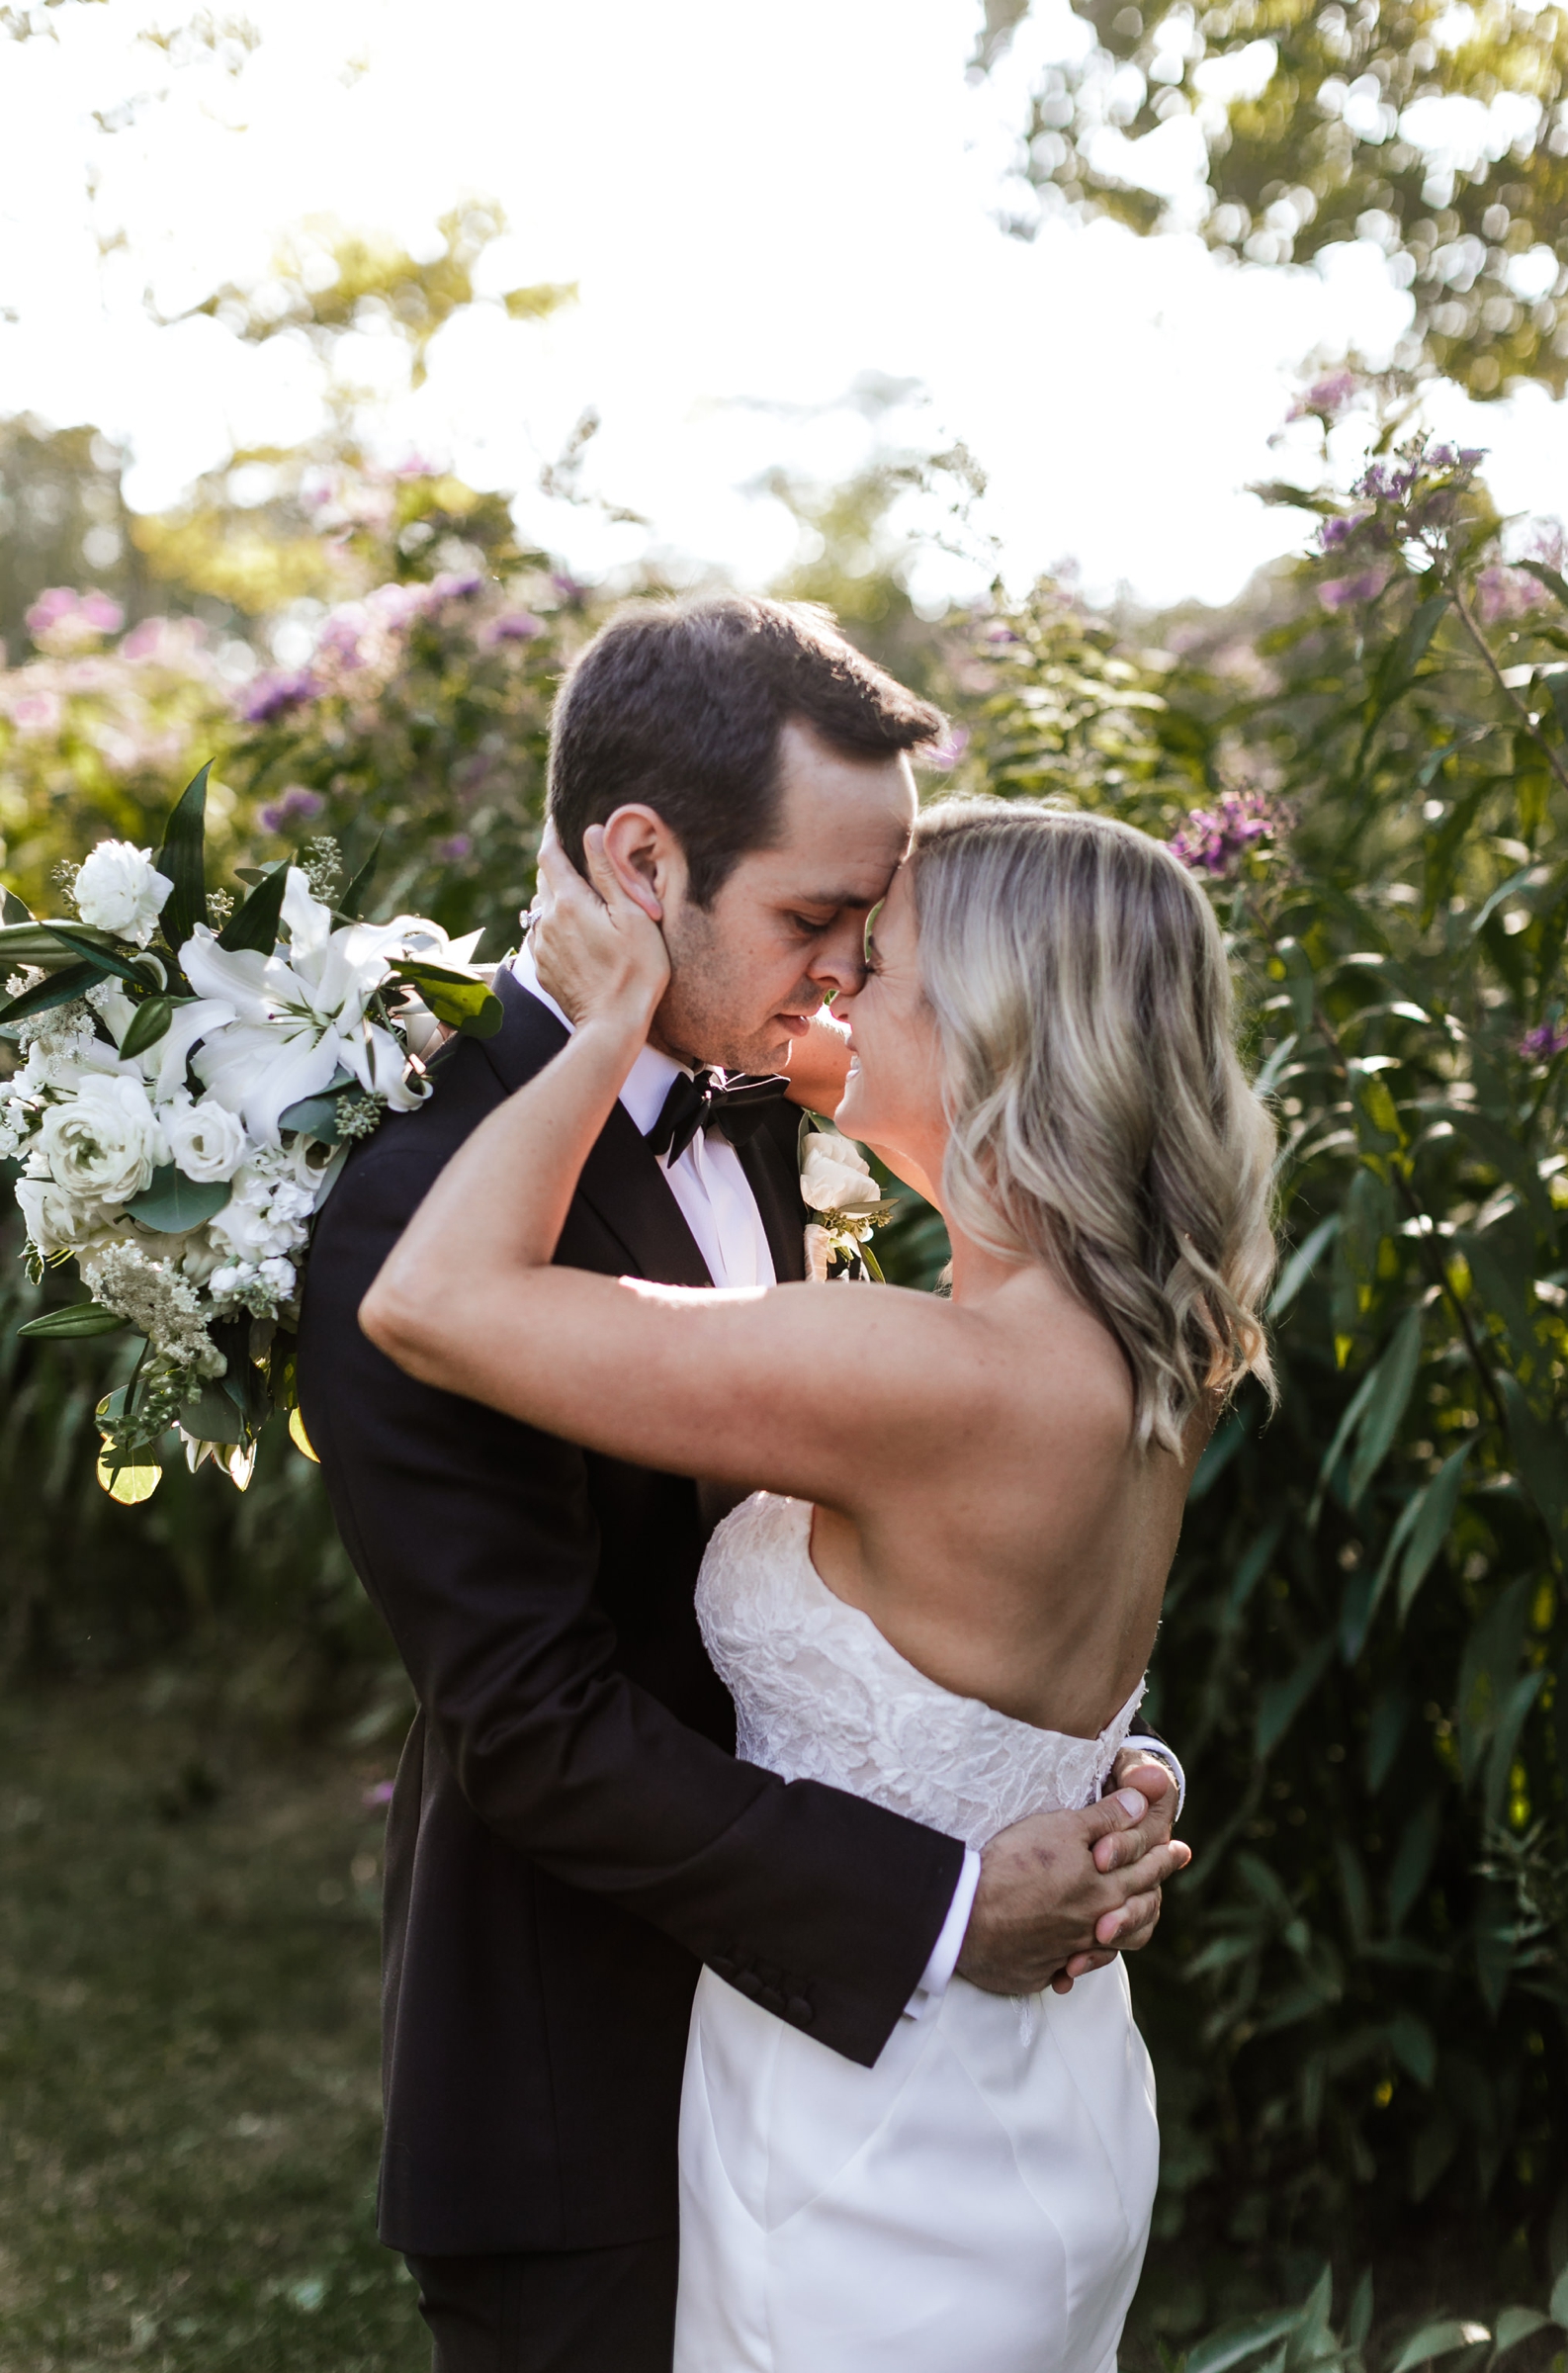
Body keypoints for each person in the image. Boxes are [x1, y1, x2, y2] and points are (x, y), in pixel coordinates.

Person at [298, 595, 1192, 2373]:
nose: (842, 980)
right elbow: (532, 1721)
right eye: (815, 919)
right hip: (589, 2066)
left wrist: (1068, 1747)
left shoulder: (761, 1103)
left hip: (839, 2087)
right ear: (644, 865)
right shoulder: (416, 1199)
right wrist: (945, 1903)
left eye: (870, 931)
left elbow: (905, 1551)